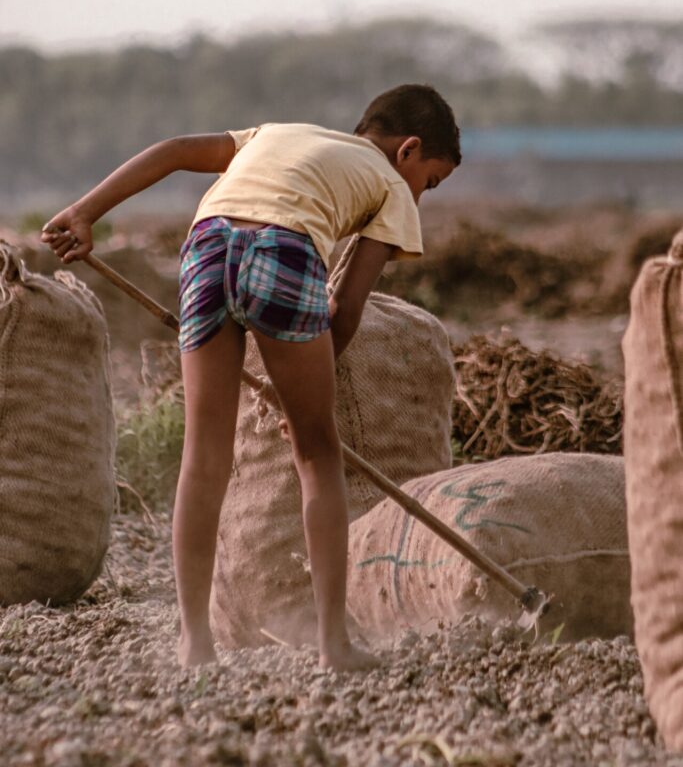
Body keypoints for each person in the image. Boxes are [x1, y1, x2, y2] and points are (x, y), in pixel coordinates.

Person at [41, 83, 460, 671]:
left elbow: (171, 150)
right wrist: (304, 396)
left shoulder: (275, 134)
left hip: (207, 247)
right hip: (285, 251)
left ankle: (193, 642)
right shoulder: (391, 185)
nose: (423, 195)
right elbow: (346, 306)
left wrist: (85, 212)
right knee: (317, 453)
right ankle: (334, 643)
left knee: (203, 456)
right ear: (408, 151)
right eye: (431, 182)